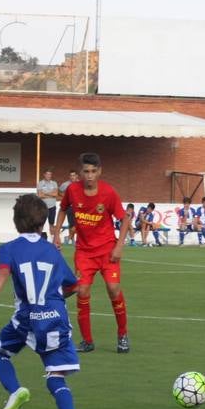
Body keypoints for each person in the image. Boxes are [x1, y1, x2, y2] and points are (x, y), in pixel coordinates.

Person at [0, 194, 85, 409]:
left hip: (27, 318)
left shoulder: (9, 248)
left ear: (16, 222)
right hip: (56, 317)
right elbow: (74, 287)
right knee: (55, 375)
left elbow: (3, 273)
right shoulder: (52, 250)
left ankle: (15, 391)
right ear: (43, 222)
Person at [55, 152, 131, 354]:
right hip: (84, 252)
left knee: (113, 289)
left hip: (107, 250)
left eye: (93, 171)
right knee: (82, 291)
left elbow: (125, 219)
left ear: (100, 172)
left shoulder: (108, 193)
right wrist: (56, 233)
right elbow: (62, 209)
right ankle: (87, 341)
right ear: (80, 172)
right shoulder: (72, 190)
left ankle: (122, 335)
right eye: (86, 171)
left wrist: (119, 245)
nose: (89, 176)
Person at [37, 169, 61, 236]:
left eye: (50, 174)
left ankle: (52, 240)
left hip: (52, 207)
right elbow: (40, 195)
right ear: (44, 175)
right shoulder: (40, 183)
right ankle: (39, 239)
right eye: (47, 174)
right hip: (42, 207)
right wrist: (51, 194)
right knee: (41, 224)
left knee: (52, 224)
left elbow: (55, 194)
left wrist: (45, 194)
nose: (49, 176)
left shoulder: (54, 183)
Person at [59, 170, 80, 245]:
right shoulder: (65, 184)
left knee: (78, 224)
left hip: (79, 207)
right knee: (71, 224)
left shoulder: (80, 184)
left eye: (74, 175)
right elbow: (59, 191)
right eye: (71, 175)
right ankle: (72, 240)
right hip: (70, 207)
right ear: (69, 176)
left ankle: (73, 238)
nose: (72, 177)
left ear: (76, 176)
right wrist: (65, 198)